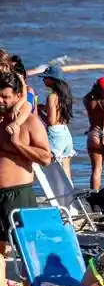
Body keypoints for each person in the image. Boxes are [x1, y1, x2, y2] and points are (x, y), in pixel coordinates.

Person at [0, 72, 52, 258]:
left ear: (17, 97)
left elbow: (46, 158)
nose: (0, 100)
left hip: (18, 194)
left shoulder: (30, 123)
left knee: (26, 251)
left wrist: (18, 144)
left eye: (5, 97)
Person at [38, 65, 75, 180]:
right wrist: (44, 108)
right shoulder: (65, 96)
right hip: (65, 133)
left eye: (45, 77)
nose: (43, 80)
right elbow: (59, 112)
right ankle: (69, 196)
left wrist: (38, 114)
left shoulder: (51, 96)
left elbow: (51, 121)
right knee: (66, 168)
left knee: (52, 169)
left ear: (52, 80)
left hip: (55, 135)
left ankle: (56, 195)